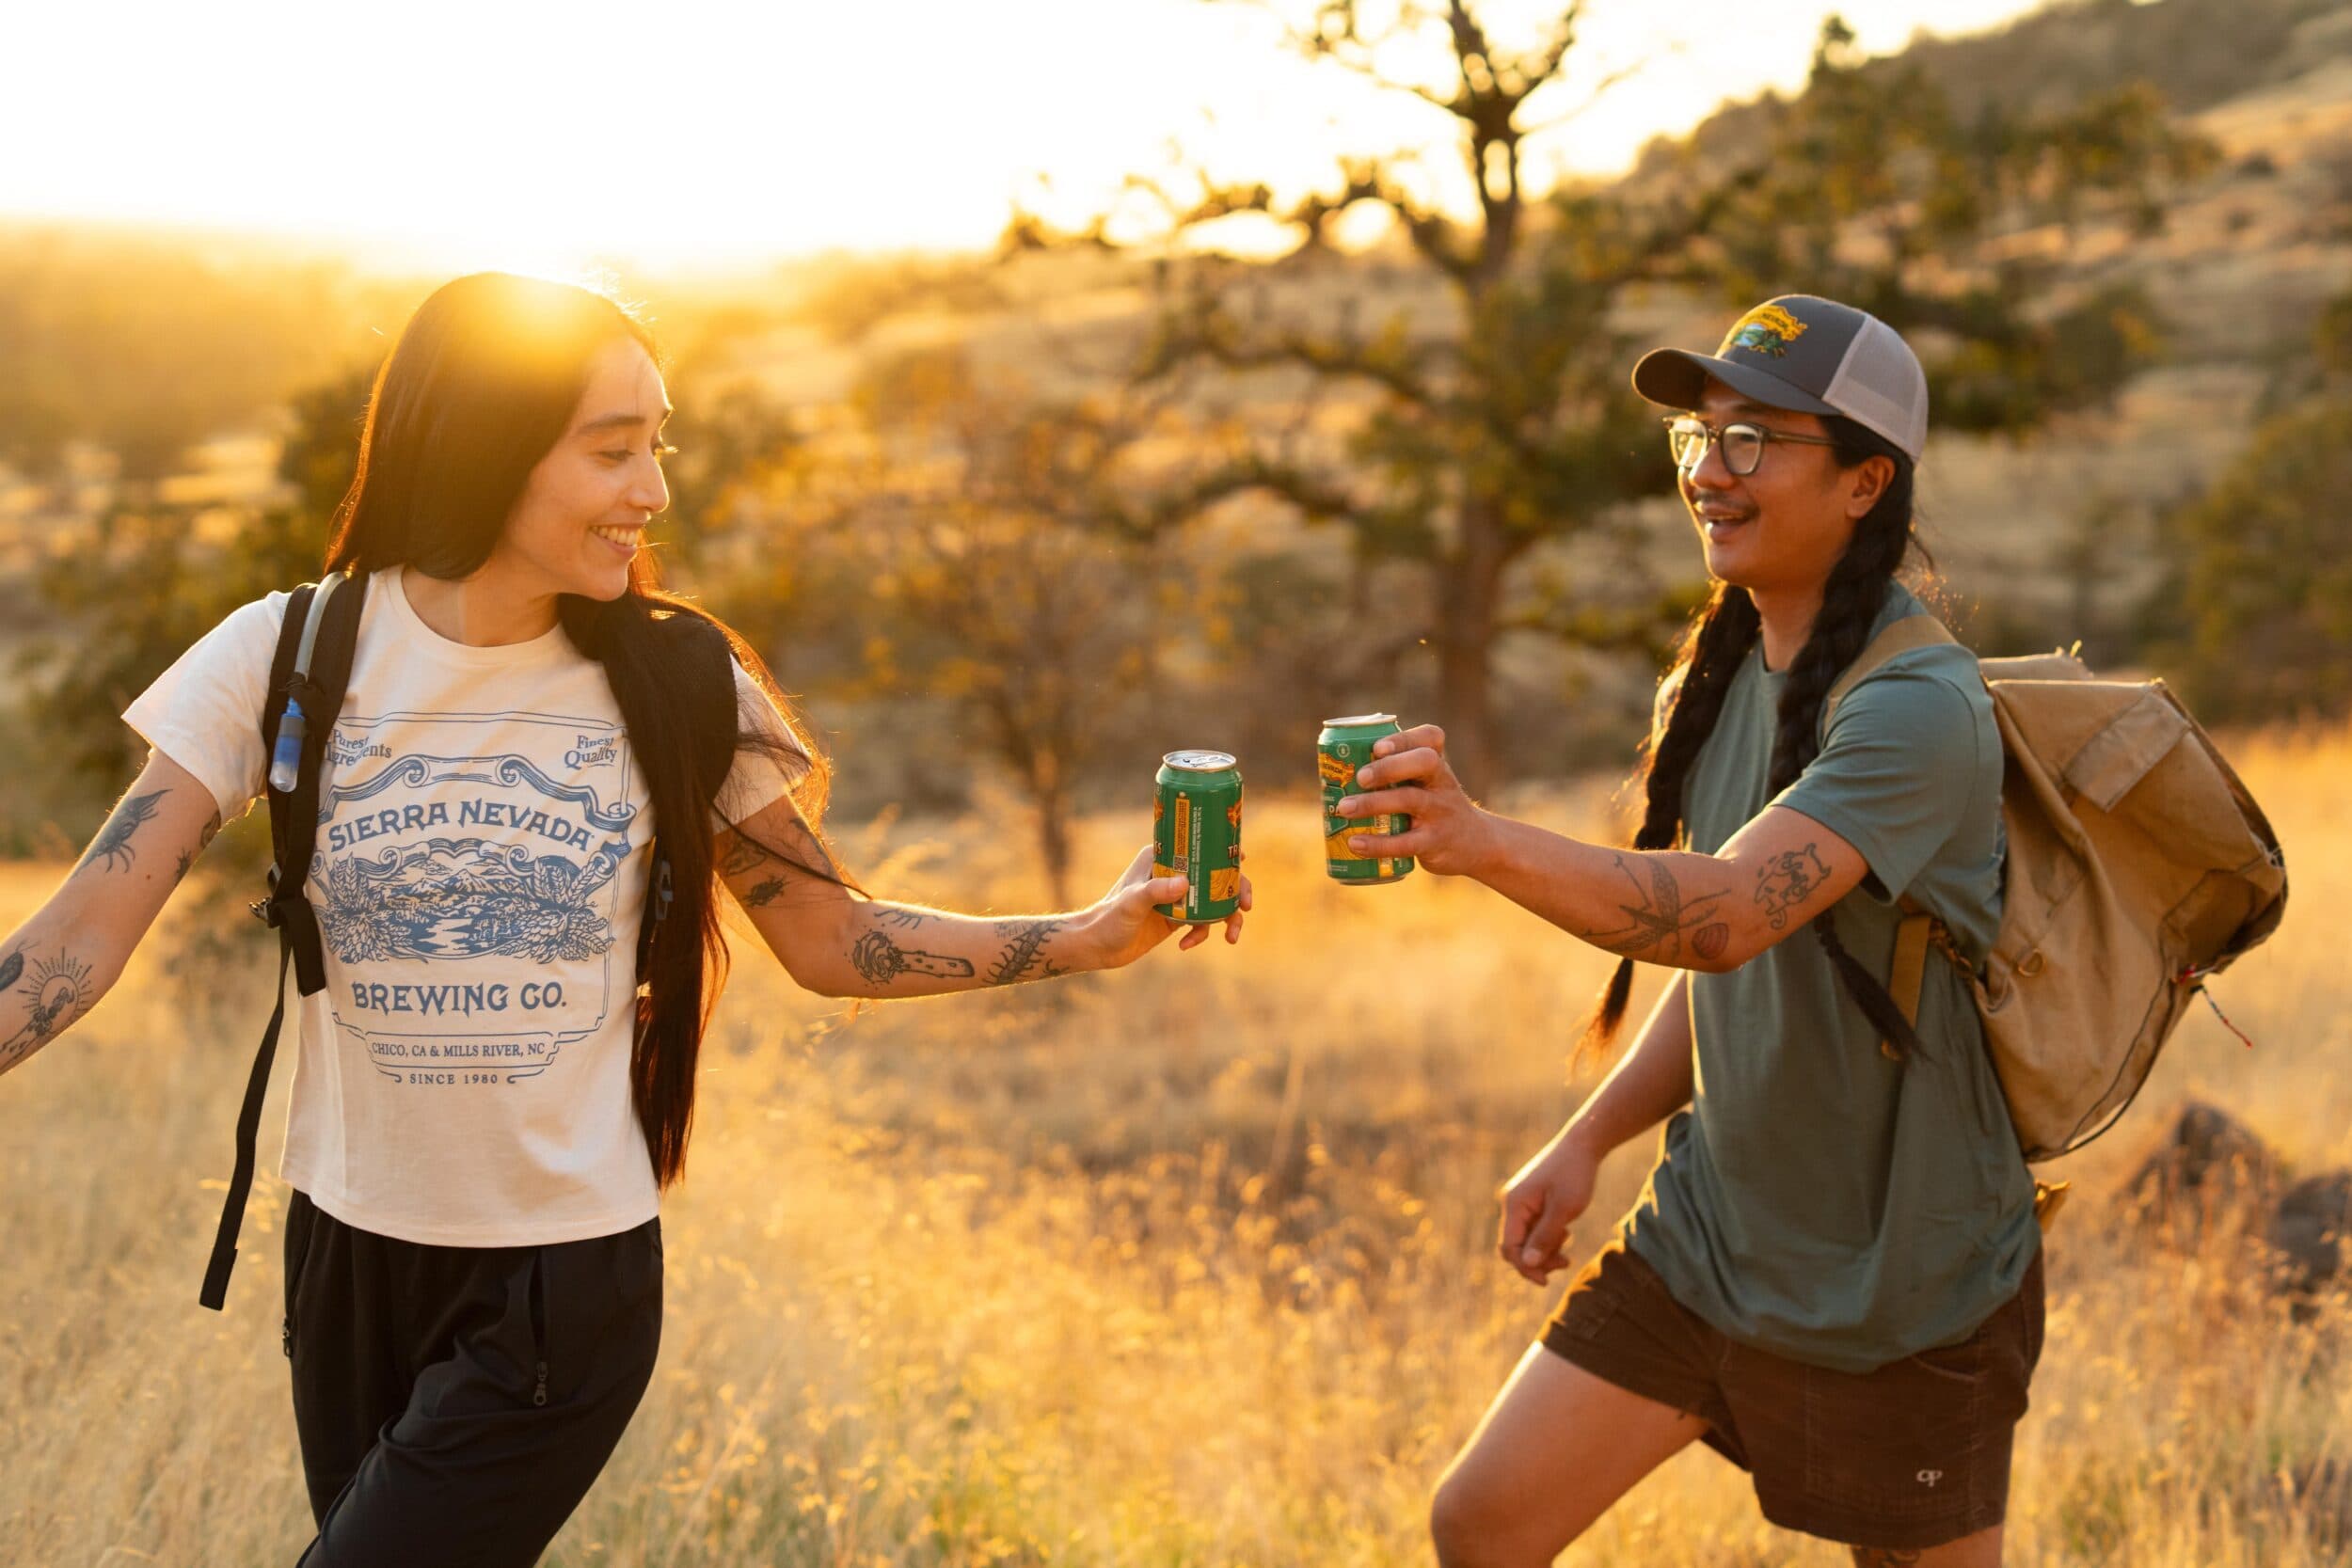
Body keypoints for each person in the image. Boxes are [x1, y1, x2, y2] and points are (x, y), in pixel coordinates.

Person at [0, 271, 1248, 1567]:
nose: (652, 489)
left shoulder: (677, 680)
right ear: (485, 451)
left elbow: (830, 940)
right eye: (613, 450)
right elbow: (81, 939)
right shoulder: (289, 654)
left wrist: (1088, 937)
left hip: (558, 1283)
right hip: (345, 1254)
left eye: (659, 444)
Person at [1341, 297, 2041, 1567]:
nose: (1710, 474)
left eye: (1756, 442)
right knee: (1483, 1524)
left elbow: (1720, 919)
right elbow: (1738, 966)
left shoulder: (1919, 709)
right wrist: (1588, 1137)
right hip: (1714, 1238)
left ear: (1866, 482)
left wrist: (1477, 839)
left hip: (1905, 1285)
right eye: (1700, 440)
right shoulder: (1725, 675)